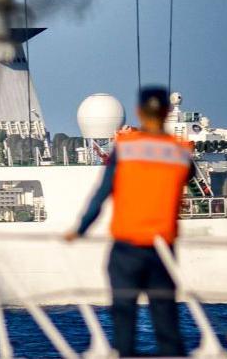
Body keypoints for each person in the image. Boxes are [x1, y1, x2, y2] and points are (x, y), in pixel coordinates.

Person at [65, 85, 194, 357]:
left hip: (126, 250)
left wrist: (80, 230)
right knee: (166, 324)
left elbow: (102, 195)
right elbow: (188, 176)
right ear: (168, 112)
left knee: (124, 322)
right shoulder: (180, 152)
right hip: (162, 250)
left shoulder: (125, 149)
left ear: (137, 112)